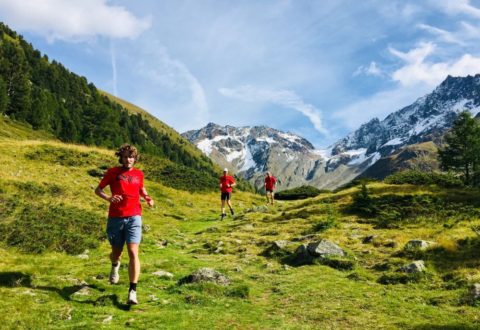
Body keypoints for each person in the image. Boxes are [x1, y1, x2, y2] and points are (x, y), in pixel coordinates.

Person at [95, 144, 154, 305]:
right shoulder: (113, 172)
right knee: (117, 252)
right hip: (116, 218)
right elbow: (98, 189)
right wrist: (108, 198)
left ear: (135, 158)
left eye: (131, 157)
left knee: (133, 252)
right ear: (121, 157)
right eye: (126, 156)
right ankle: (115, 264)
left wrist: (148, 198)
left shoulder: (138, 174)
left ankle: (132, 291)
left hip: (135, 216)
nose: (129, 159)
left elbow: (141, 189)